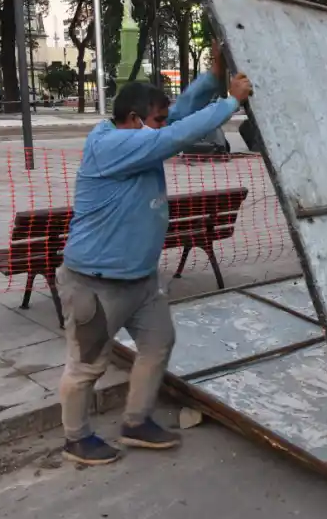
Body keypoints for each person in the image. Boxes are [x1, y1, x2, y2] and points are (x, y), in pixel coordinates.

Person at [57, 51, 252, 465]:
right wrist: (229, 102)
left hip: (141, 280)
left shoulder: (138, 135)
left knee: (159, 342)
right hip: (96, 283)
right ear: (132, 119)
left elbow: (176, 117)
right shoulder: (110, 146)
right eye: (156, 119)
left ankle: (135, 421)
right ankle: (75, 438)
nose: (164, 125)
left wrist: (213, 77)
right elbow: (171, 135)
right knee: (87, 366)